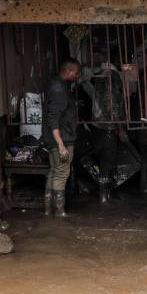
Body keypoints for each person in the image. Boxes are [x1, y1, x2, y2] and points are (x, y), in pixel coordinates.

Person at [80, 62, 125, 203]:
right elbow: (112, 109)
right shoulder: (111, 83)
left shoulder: (99, 83)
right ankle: (104, 198)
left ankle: (104, 195)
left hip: (97, 127)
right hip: (108, 128)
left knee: (103, 160)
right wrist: (121, 128)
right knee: (107, 161)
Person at [42, 59, 81, 217]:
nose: (78, 76)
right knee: (61, 173)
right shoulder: (59, 90)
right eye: (77, 73)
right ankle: (59, 212)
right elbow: (53, 118)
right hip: (61, 139)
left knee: (54, 171)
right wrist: (61, 145)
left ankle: (48, 211)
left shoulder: (57, 85)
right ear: (70, 72)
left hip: (55, 138)